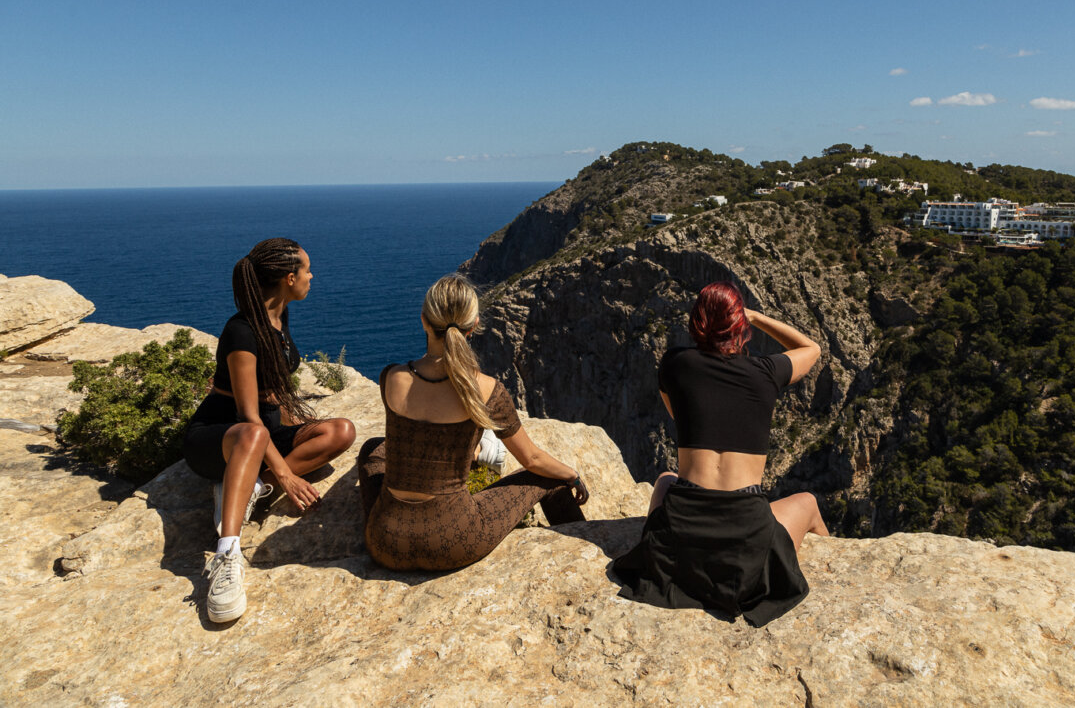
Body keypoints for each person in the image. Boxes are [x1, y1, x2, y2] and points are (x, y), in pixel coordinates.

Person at [613, 281, 829, 626]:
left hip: (680, 536)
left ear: (696, 322)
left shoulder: (674, 364)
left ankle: (666, 554)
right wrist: (756, 317)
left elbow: (676, 415)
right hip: (745, 535)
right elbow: (811, 348)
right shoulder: (767, 372)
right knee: (808, 502)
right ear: (739, 325)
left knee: (667, 479)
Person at [357, 274, 588, 571]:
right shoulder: (487, 390)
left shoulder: (391, 377)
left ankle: (381, 516)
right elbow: (532, 459)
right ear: (474, 325)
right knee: (551, 476)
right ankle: (581, 555)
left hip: (386, 544)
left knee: (372, 448)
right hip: (453, 542)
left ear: (424, 321)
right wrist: (572, 475)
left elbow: (419, 428)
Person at [182, 238, 356, 623]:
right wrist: (287, 475)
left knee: (342, 431)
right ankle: (227, 555)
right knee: (255, 435)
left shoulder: (278, 317)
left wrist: (306, 428)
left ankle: (247, 488)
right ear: (289, 278)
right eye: (307, 270)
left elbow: (271, 398)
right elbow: (248, 415)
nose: (313, 276)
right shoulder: (241, 333)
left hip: (259, 431)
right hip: (219, 436)